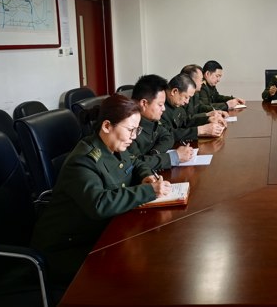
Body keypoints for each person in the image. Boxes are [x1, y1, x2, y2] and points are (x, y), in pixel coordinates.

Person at [31, 94, 172, 284]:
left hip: (100, 232)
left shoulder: (116, 145)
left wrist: (146, 176)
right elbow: (99, 203)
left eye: (137, 130)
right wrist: (149, 191)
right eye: (130, 130)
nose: (133, 137)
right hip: (67, 248)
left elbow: (136, 162)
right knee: (134, 271)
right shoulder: (83, 161)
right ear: (107, 126)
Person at [128, 74, 195, 170]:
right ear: (144, 103)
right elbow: (136, 163)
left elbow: (168, 136)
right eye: (160, 105)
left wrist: (155, 153)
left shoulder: (150, 120)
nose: (163, 109)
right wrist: (174, 157)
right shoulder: (128, 127)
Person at [161, 73, 225, 142]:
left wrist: (207, 119)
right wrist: (200, 130)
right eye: (186, 97)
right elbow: (167, 134)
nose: (187, 102)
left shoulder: (175, 102)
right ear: (174, 91)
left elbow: (185, 122)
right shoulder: (159, 106)